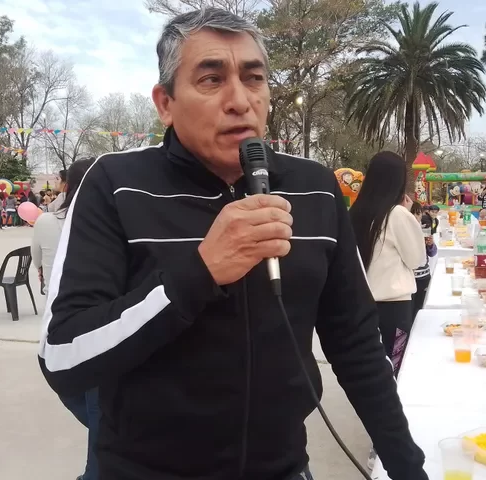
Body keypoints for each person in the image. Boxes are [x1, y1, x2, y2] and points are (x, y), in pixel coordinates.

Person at [38, 9, 426, 480]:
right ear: (165, 102)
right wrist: (198, 273)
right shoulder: (116, 184)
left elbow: (358, 345)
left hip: (284, 467)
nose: (240, 100)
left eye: (254, 78)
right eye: (211, 79)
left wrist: (408, 467)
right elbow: (63, 355)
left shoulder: (315, 189)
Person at [31, 158, 98, 480]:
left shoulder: (47, 221)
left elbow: (36, 259)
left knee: (98, 412)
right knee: (103, 416)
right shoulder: (111, 220)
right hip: (97, 330)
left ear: (66, 185)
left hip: (60, 332)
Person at [350, 152, 427, 374]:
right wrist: (413, 218)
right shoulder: (397, 215)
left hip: (360, 304)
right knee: (394, 367)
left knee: (368, 366)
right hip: (393, 306)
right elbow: (416, 260)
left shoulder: (355, 213)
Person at [410, 201, 438, 318]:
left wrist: (430, 244)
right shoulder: (402, 233)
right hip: (409, 278)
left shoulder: (424, 230)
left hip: (424, 275)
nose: (416, 217)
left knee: (421, 308)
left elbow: (432, 253)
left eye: (418, 214)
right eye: (412, 213)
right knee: (410, 311)